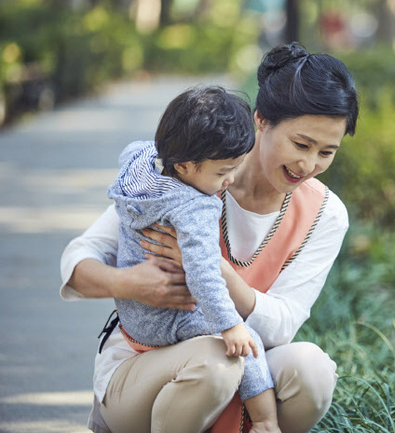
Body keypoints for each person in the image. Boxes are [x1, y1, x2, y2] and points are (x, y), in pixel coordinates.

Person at [60, 41, 359, 433]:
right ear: (261, 120)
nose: (308, 165)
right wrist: (131, 284)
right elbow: (78, 258)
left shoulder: (325, 214)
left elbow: (282, 326)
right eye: (301, 144)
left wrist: (213, 271)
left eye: (326, 152)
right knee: (215, 363)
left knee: (312, 370)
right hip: (147, 373)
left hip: (245, 367)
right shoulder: (190, 169)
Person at [107, 85, 280, 433]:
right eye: (222, 172)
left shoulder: (141, 161)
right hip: (167, 321)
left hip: (133, 312)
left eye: (236, 167)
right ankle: (265, 422)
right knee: (248, 341)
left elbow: (130, 149)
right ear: (185, 166)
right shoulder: (194, 208)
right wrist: (230, 325)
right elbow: (203, 274)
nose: (230, 180)